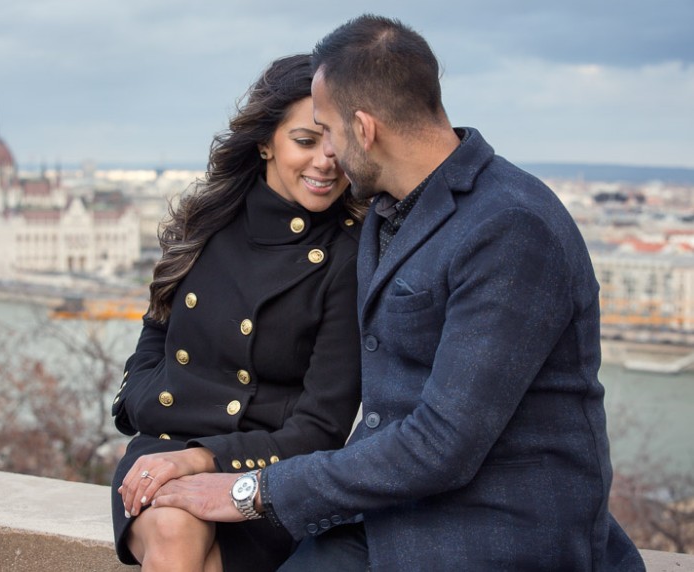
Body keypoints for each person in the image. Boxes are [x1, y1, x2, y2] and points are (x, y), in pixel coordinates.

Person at [150, 15, 646, 571]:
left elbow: (442, 444)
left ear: (364, 129)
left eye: (329, 129)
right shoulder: (391, 211)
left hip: (492, 533)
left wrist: (251, 490)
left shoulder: (510, 227)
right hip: (391, 514)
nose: (329, 154)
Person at [111, 53, 367, 571]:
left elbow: (321, 427)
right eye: (305, 140)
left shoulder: (350, 255)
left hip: (263, 475)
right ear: (264, 142)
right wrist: (144, 405)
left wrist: (204, 459)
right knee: (173, 522)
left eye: (337, 141)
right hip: (163, 450)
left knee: (178, 536)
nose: (326, 160)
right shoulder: (205, 221)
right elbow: (155, 336)